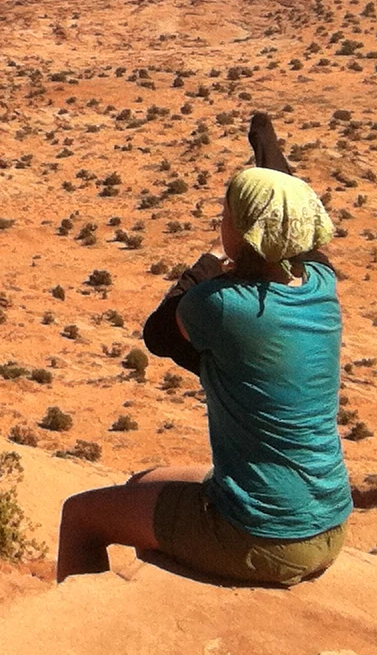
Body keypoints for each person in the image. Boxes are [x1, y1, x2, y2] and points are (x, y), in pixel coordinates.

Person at [55, 141, 352, 586]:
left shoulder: (222, 306)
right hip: (329, 523)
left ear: (245, 230)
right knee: (142, 482)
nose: (221, 222)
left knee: (80, 515)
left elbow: (158, 333)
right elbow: (294, 229)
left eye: (227, 216)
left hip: (262, 537)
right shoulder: (320, 282)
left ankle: (79, 639)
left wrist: (212, 259)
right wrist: (268, 155)